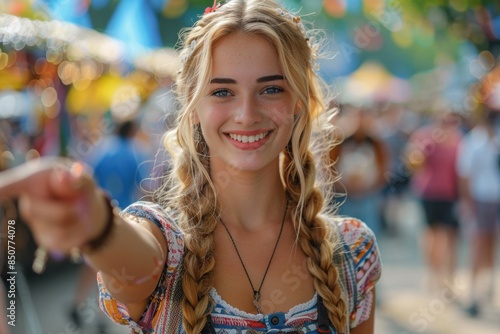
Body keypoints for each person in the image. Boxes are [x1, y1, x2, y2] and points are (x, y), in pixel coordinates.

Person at [0, 1, 381, 333]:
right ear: (193, 108)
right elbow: (132, 259)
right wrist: (95, 223)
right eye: (222, 92)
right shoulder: (166, 244)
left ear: (299, 100)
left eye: (271, 89)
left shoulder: (351, 251)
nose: (246, 114)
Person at [405, 109, 462, 292]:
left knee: (449, 237)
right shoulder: (424, 136)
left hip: (451, 195)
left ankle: (448, 279)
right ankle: (433, 275)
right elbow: (413, 163)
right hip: (429, 193)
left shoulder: (458, 140)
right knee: (432, 236)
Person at [456, 106, 500, 317]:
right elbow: (465, 175)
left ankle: (489, 287)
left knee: (492, 244)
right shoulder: (473, 142)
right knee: (478, 245)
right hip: (481, 199)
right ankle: (474, 293)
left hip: (495, 198)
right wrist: (468, 203)